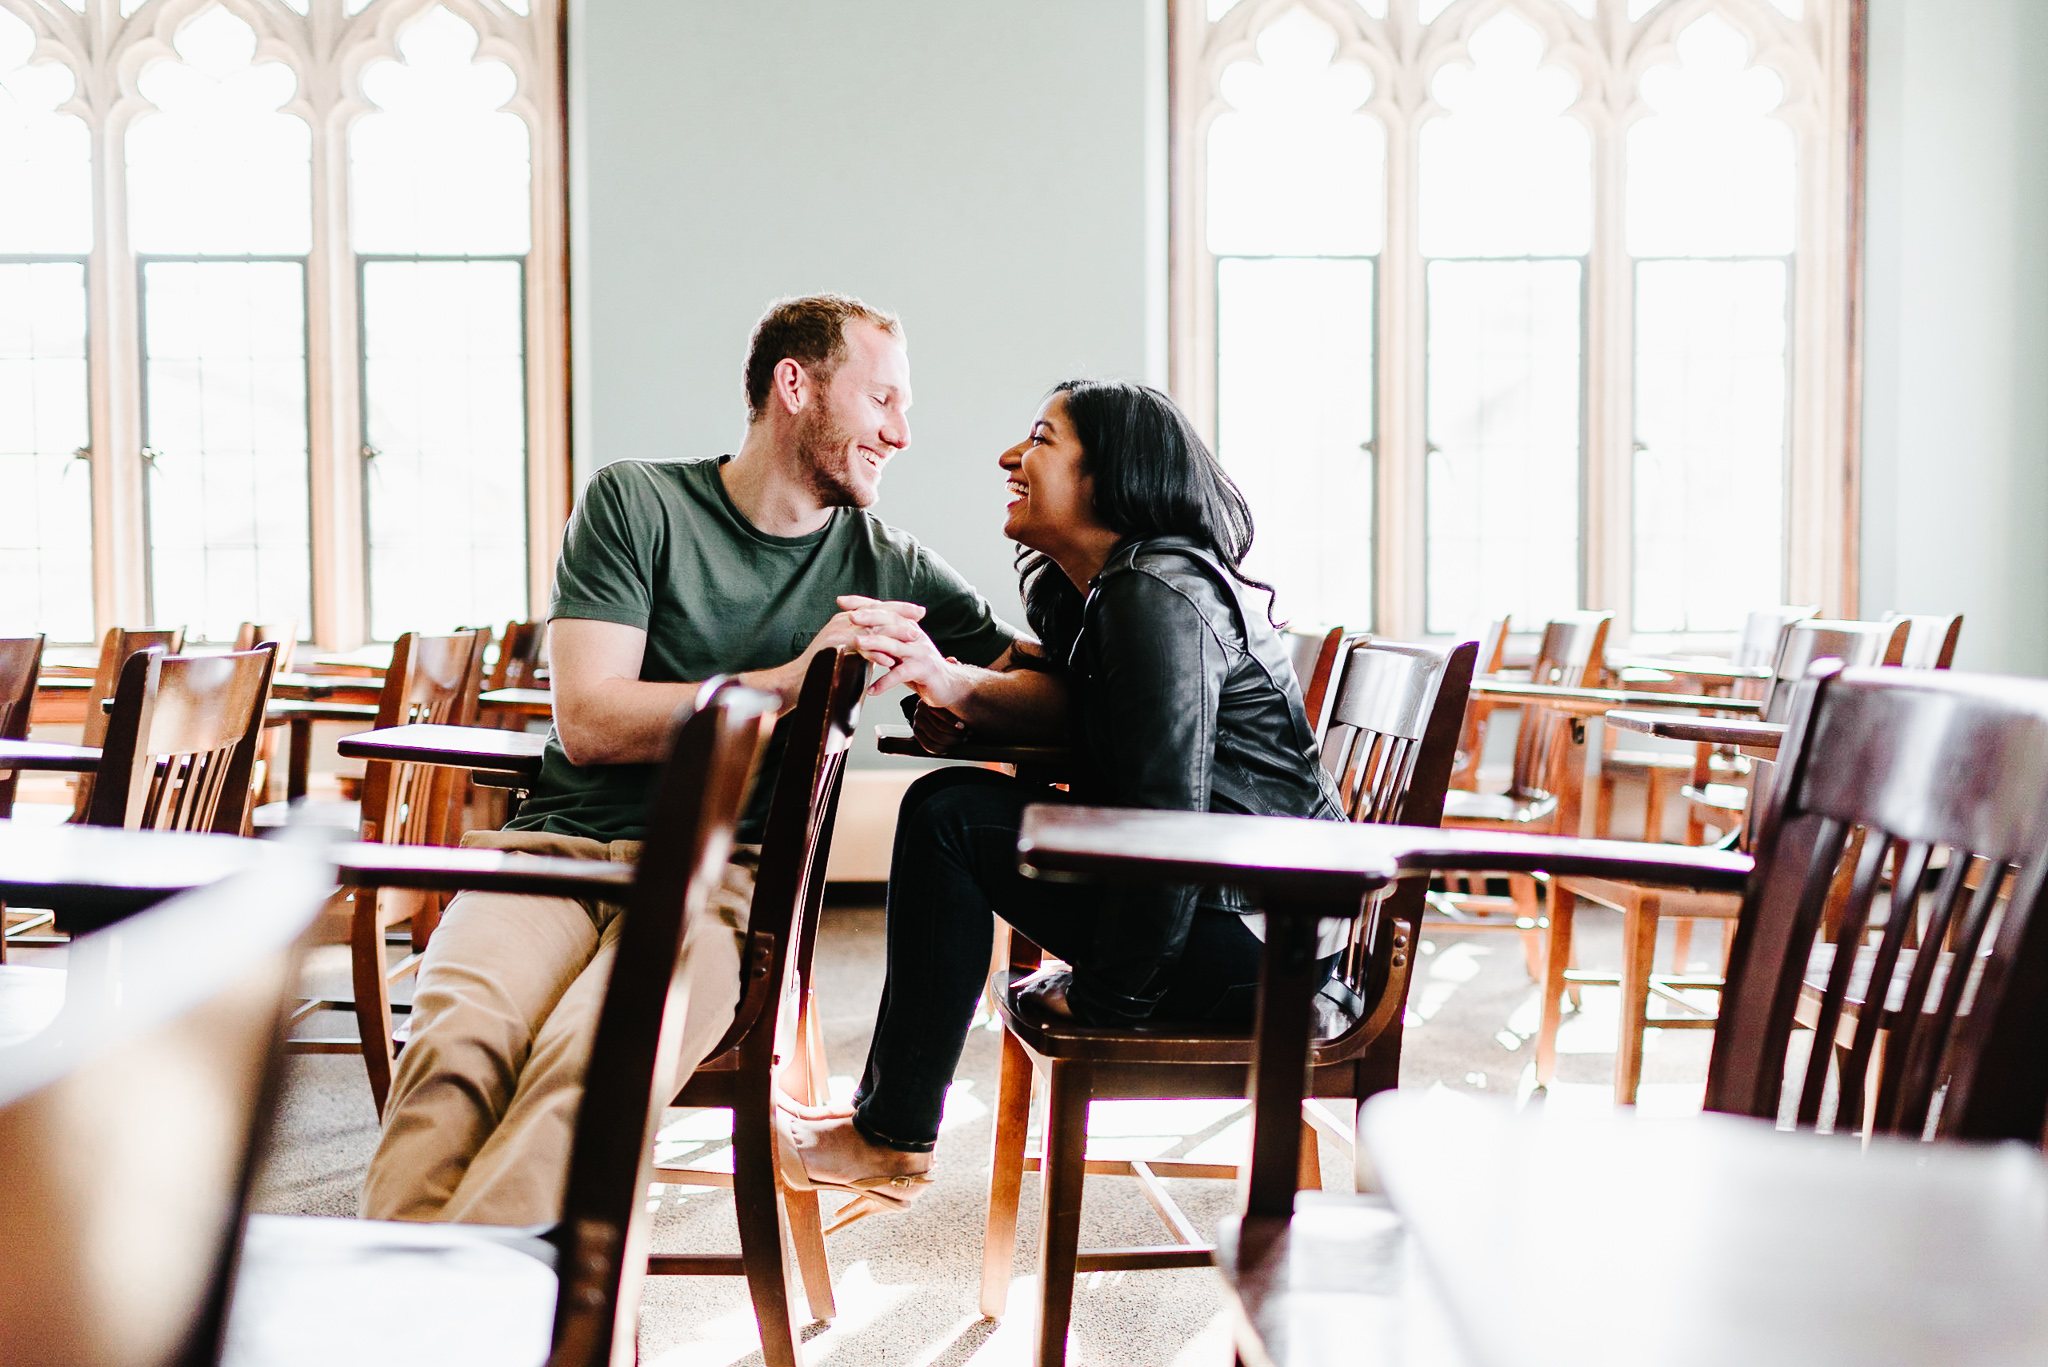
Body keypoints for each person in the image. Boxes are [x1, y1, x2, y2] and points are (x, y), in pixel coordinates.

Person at [361, 294, 1062, 1224]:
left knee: (596, 1061)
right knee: (455, 1048)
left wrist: (949, 681)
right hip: (558, 853)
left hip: (722, 884)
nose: (902, 433)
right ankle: (411, 1304)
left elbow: (1046, 686)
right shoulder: (636, 502)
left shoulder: (892, 565)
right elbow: (593, 723)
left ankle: (478, 1318)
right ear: (794, 385)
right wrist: (789, 678)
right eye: (883, 401)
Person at [776, 379, 1348, 1222]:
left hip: (1259, 943)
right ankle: (889, 1127)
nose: (1011, 456)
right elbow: (1103, 736)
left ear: (1109, 472)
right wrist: (959, 698)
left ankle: (892, 1133)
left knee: (948, 817)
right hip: (1253, 920)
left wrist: (1109, 996)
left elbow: (1168, 818)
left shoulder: (1159, 592)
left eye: (1040, 439)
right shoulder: (1131, 587)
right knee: (953, 808)